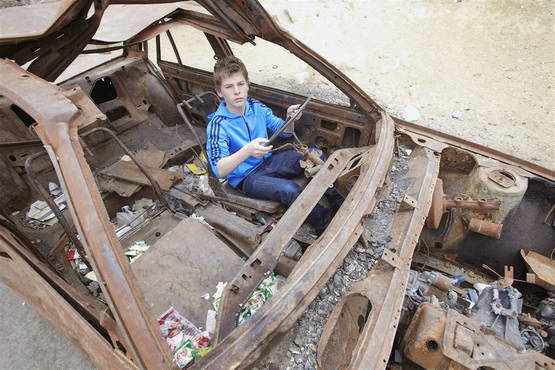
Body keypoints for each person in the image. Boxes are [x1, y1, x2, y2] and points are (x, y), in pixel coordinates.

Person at [206, 56, 341, 231]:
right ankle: (326, 223)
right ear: (219, 92)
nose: (237, 91)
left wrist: (290, 118)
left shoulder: (256, 107)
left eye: (240, 84)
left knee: (317, 155)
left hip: (268, 161)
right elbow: (219, 170)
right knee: (289, 190)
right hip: (247, 178)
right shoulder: (218, 125)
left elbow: (284, 131)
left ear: (248, 85)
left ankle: (338, 201)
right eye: (229, 87)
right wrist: (247, 151)